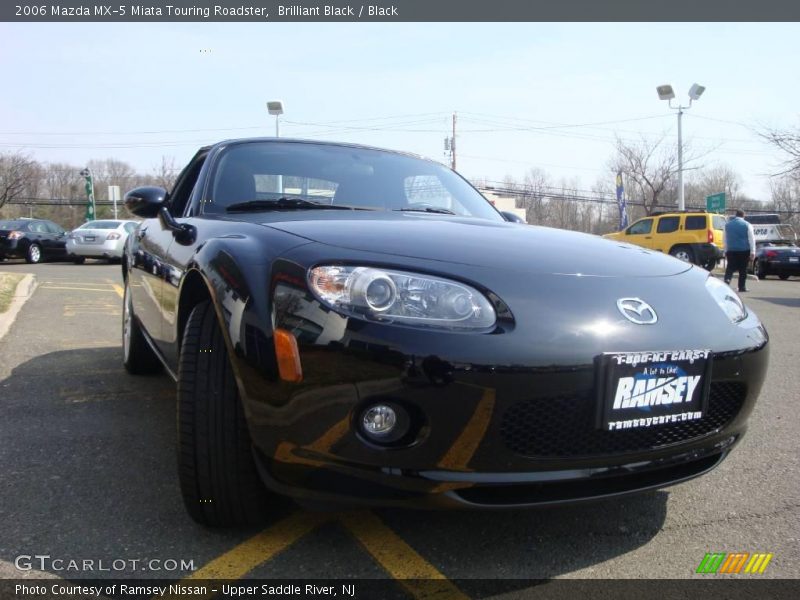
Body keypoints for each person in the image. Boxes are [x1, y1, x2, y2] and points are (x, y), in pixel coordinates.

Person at [723, 209, 756, 292]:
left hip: (731, 250)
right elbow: (751, 239)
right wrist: (753, 251)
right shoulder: (747, 225)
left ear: (735, 215)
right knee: (743, 269)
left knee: (730, 267)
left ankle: (727, 280)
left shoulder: (727, 225)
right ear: (743, 216)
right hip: (744, 250)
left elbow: (724, 239)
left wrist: (725, 250)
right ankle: (742, 286)